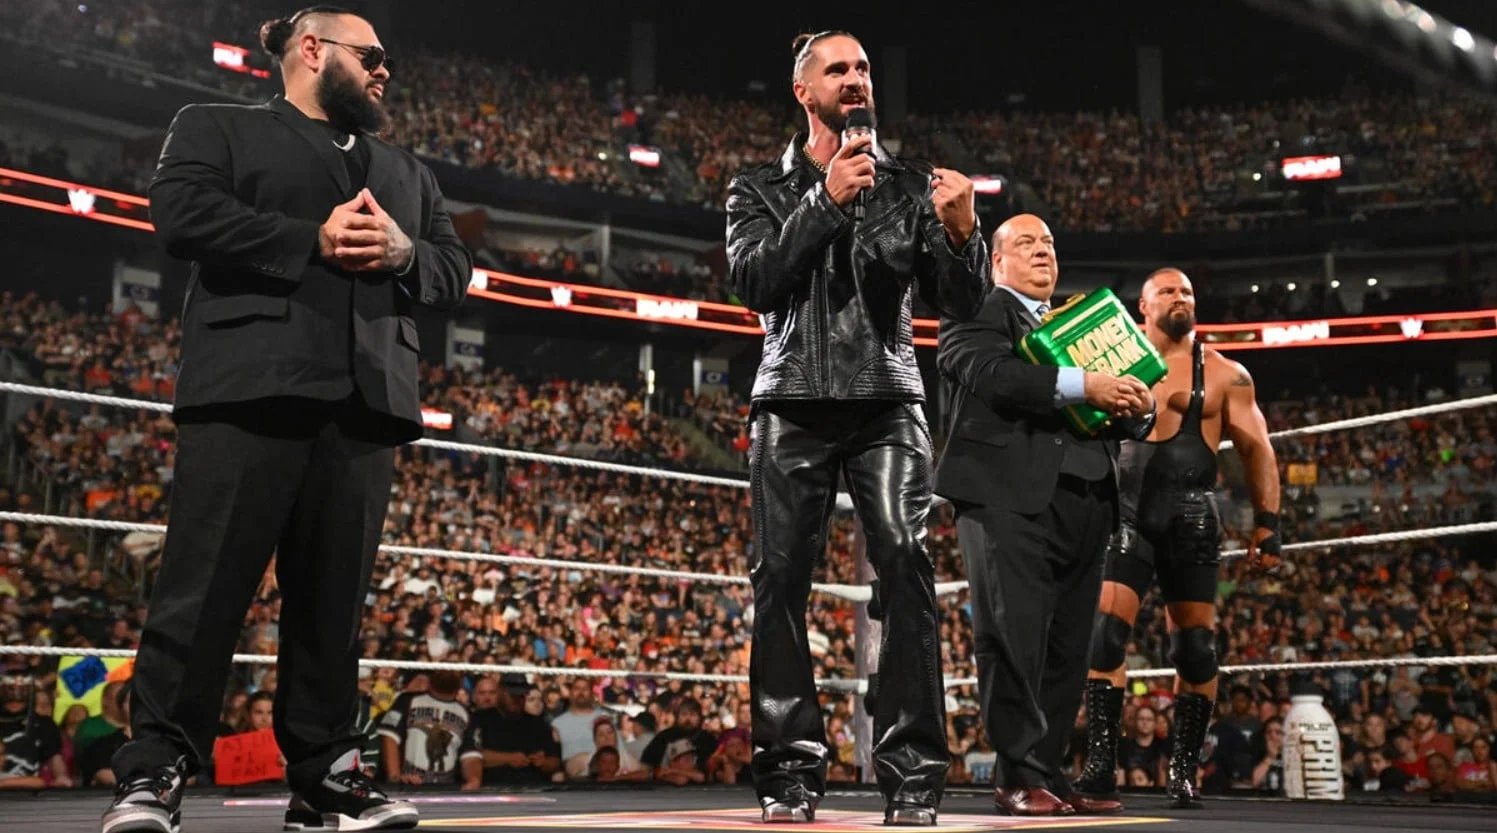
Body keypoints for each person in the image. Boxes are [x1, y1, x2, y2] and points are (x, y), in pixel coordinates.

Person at [103, 6, 470, 833]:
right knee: (202, 592)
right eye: (371, 55)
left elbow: (455, 269)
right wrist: (312, 238)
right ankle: (154, 769)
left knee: (333, 607)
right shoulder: (216, 126)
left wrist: (406, 254)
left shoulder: (407, 170)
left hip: (366, 404)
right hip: (250, 389)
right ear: (312, 49)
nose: (385, 71)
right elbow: (181, 214)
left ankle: (326, 777)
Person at [725, 29, 988, 827]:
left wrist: (962, 233)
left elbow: (962, 305)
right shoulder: (757, 186)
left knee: (905, 562)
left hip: (885, 398)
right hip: (791, 399)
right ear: (802, 91)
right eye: (837, 68)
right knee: (779, 581)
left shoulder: (908, 185)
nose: (855, 78)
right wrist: (825, 201)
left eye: (863, 67)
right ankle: (788, 773)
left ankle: (913, 776)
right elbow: (755, 282)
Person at [934, 214, 1155, 817]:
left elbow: (1127, 403)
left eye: (1049, 243)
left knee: (1069, 647)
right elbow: (991, 374)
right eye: (1026, 243)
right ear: (996, 261)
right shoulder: (977, 306)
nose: (1042, 252)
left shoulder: (1084, 322)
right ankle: (1017, 774)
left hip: (1088, 499)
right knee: (1013, 637)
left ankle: (1049, 772)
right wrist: (1086, 384)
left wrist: (1139, 406)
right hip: (1006, 496)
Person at [1073, 268, 1281, 810]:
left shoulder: (1226, 373)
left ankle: (1185, 771)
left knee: (1195, 648)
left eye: (1186, 290)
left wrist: (1269, 523)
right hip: (1124, 513)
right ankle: (1100, 765)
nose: (1180, 297)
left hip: (1191, 516)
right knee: (1105, 637)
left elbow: (1257, 447)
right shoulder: (1110, 364)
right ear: (1142, 306)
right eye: (1167, 291)